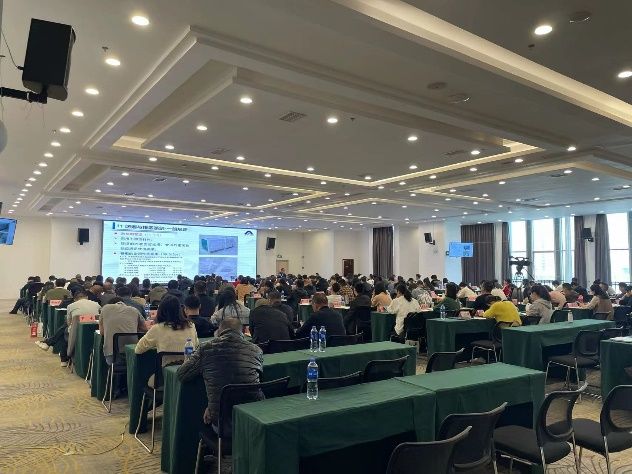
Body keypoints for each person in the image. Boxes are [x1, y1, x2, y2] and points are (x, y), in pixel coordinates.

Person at [176, 318, 263, 425]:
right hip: (254, 417)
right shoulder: (256, 350)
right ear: (243, 331)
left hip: (221, 419)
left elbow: (182, 374)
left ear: (219, 331)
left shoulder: (205, 348)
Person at [36, 290, 101, 366]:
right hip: (94, 331)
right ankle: (50, 344)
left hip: (77, 331)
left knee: (64, 332)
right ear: (87, 297)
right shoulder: (97, 304)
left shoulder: (71, 306)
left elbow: (69, 323)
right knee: (65, 330)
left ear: (75, 299)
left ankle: (63, 359)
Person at [135, 295, 199, 367]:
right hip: (189, 369)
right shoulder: (191, 325)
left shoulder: (157, 329)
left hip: (166, 370)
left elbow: (138, 349)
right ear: (180, 310)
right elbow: (196, 345)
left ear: (161, 310)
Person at [99, 299, 146, 366]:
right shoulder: (134, 310)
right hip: (133, 354)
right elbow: (144, 329)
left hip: (112, 355)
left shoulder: (105, 308)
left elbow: (102, 332)